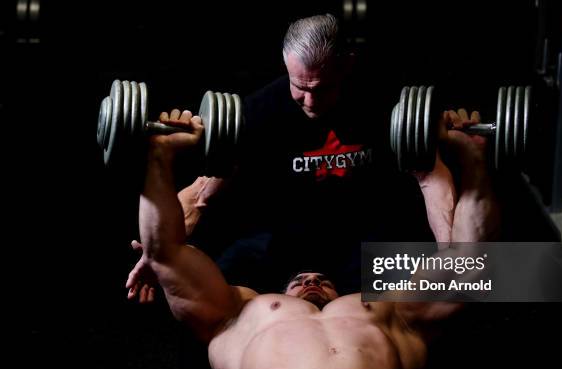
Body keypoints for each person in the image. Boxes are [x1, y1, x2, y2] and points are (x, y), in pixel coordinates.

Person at [126, 100, 500, 369]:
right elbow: (168, 252)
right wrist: (159, 156)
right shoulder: (238, 314)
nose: (312, 282)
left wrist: (474, 160)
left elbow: (467, 263)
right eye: (303, 279)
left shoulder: (392, 313)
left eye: (318, 279)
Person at [128, 14, 442, 301]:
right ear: (285, 63)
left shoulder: (384, 105)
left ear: (347, 64)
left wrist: (464, 148)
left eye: (322, 89)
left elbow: (432, 179)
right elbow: (200, 196)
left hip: (364, 239)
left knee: (471, 279)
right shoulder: (258, 112)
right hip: (282, 245)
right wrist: (157, 256)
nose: (309, 101)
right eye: (299, 87)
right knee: (193, 288)